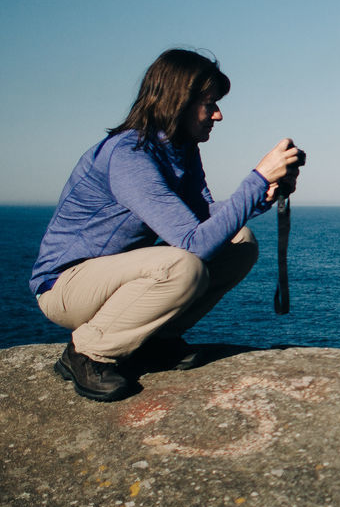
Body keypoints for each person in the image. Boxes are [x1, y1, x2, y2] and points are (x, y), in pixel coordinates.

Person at [30, 48, 305, 402]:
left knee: (240, 241)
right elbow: (194, 244)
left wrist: (263, 194)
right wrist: (255, 179)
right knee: (183, 265)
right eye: (210, 103)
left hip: (116, 279)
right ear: (179, 101)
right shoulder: (129, 155)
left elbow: (205, 213)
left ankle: (153, 342)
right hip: (65, 286)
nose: (218, 115)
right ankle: (86, 353)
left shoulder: (181, 150)